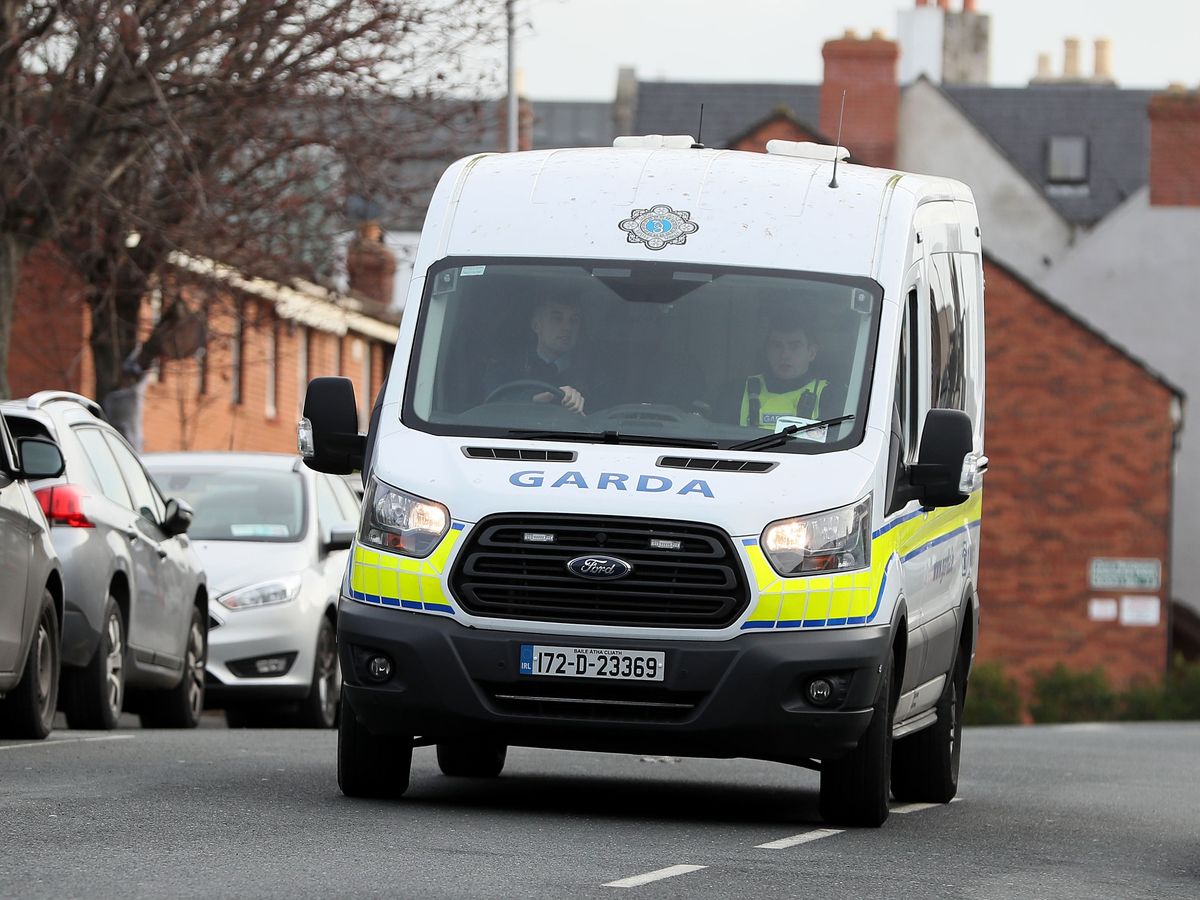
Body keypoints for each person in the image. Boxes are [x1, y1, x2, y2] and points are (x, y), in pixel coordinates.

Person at [482, 297, 592, 413]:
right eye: (557, 318)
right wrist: (530, 401)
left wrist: (579, 407)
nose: (567, 327)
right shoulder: (507, 366)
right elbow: (491, 406)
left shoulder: (593, 372)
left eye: (574, 320)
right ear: (536, 325)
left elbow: (604, 420)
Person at [737, 310, 841, 430]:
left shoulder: (832, 397)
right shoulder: (737, 392)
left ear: (811, 353)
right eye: (777, 345)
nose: (785, 354)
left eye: (794, 346)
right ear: (767, 351)